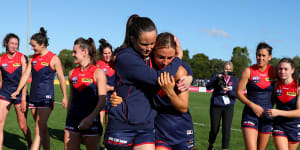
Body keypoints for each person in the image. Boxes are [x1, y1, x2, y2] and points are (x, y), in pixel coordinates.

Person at [103, 14, 191, 150]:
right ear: (132, 39)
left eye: (152, 43)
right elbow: (158, 78)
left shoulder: (150, 56)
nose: (149, 48)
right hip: (123, 126)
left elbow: (173, 65)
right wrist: (178, 58)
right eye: (144, 44)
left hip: (146, 128)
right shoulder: (126, 57)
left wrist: (189, 75)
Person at [11, 27, 68, 150]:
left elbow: (62, 78)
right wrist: (18, 90)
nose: (32, 48)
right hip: (34, 98)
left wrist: (65, 96)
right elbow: (26, 75)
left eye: (34, 46)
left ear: (42, 45)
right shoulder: (33, 59)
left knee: (38, 128)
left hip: (46, 99)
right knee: (43, 128)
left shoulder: (54, 58)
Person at [64, 37, 107, 150]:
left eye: (75, 52)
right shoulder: (71, 73)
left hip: (92, 121)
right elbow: (71, 98)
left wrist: (90, 118)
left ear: (85, 52)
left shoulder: (98, 72)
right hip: (72, 120)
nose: (72, 54)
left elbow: (102, 100)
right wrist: (68, 117)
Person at [237, 42, 274, 150]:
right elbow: (238, 93)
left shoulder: (274, 71)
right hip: (250, 115)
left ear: (269, 57)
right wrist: (252, 105)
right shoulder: (248, 71)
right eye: (258, 55)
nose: (260, 58)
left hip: (267, 117)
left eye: (264, 56)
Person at [0, 33, 32, 149]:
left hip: (19, 95)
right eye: (12, 43)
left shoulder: (22, 58)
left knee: (22, 125)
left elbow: (25, 80)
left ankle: (30, 144)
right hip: (4, 93)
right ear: (6, 43)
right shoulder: (1, 59)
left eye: (16, 44)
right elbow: (0, 81)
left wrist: (23, 98)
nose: (14, 46)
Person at [266, 58, 300, 150]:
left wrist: (278, 112)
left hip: (295, 126)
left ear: (292, 70)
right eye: (280, 69)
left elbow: (299, 112)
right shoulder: (276, 85)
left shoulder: (298, 87)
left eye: (286, 69)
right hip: (279, 125)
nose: (282, 71)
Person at [206, 61, 238, 150]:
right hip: (216, 105)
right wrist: (216, 80)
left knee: (226, 130)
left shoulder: (235, 80)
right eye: (226, 69)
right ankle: (211, 144)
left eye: (230, 69)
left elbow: (236, 94)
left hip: (229, 107)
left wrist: (228, 91)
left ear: (232, 70)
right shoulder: (218, 76)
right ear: (223, 69)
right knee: (214, 129)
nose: (227, 71)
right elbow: (208, 87)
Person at [97, 38, 115, 128]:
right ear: (101, 54)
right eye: (105, 53)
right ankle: (96, 141)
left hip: (113, 98)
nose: (107, 55)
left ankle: (106, 142)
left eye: (109, 53)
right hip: (101, 97)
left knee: (109, 123)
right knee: (99, 122)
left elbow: (120, 83)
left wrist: (111, 88)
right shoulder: (98, 65)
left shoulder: (116, 64)